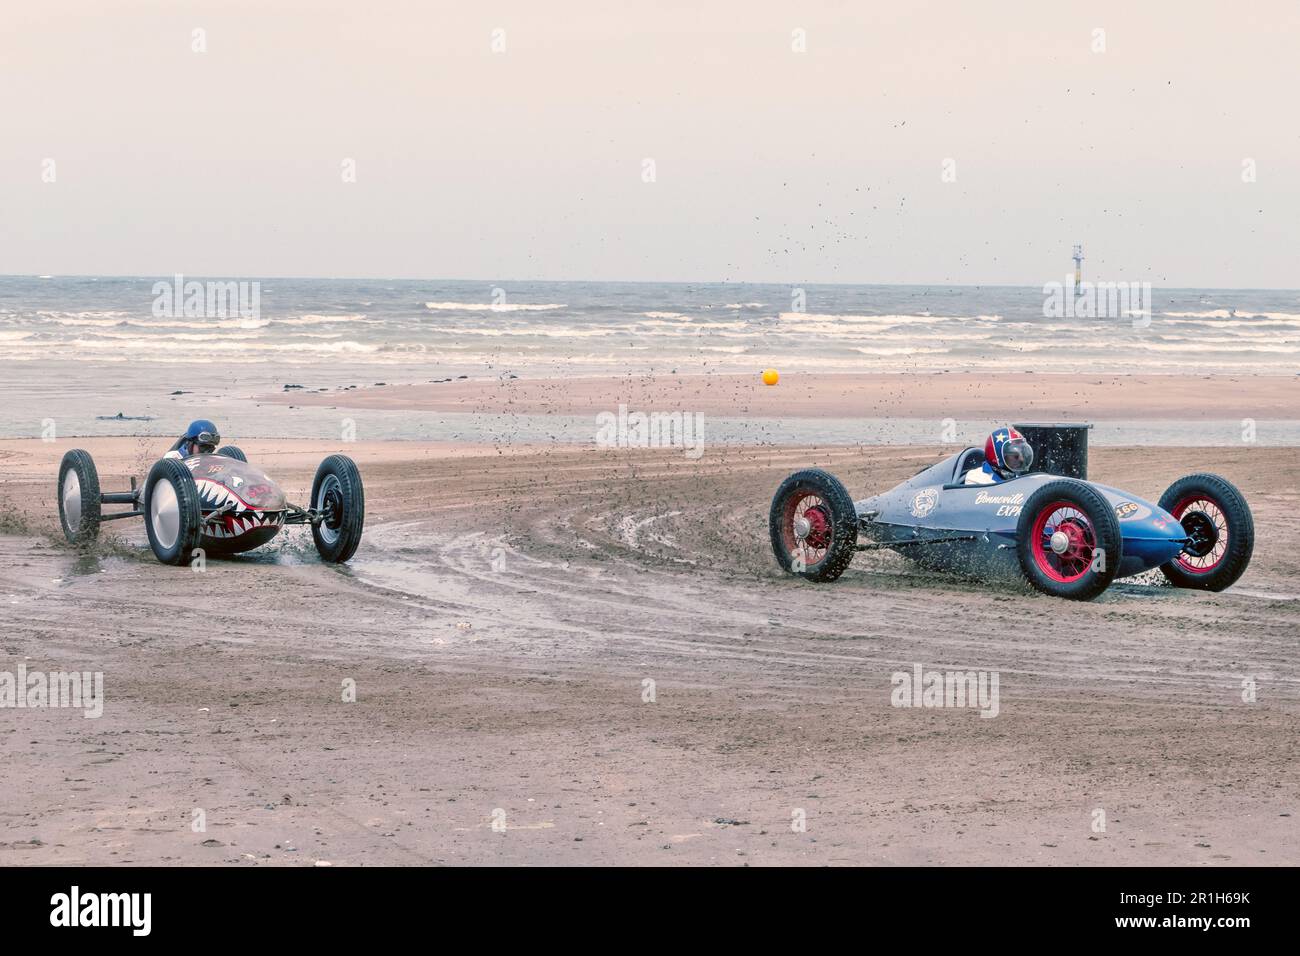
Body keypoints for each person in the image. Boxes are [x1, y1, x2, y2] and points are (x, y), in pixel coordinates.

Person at [964, 425, 1034, 485]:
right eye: (1015, 456)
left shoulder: (1017, 477)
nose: (1021, 459)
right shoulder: (976, 477)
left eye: (1022, 454)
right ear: (998, 457)